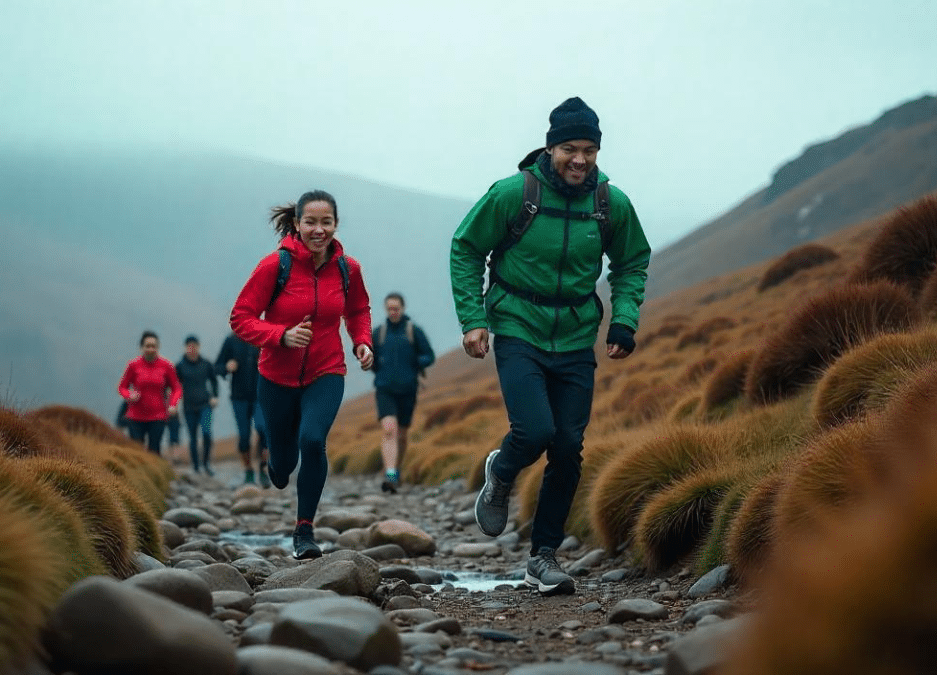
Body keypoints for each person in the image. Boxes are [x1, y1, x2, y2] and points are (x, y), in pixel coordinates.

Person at [450, 97, 651, 595]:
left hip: (578, 332)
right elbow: (466, 246)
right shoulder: (514, 193)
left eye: (588, 150)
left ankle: (542, 557)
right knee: (536, 429)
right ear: (550, 146)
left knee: (567, 446)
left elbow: (632, 262)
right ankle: (502, 468)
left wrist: (624, 321)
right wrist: (474, 319)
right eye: (569, 148)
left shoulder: (611, 203)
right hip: (518, 323)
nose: (579, 160)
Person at [230, 189, 374, 560]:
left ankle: (304, 530)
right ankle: (276, 464)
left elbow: (358, 309)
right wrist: (281, 335)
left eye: (326, 222)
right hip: (276, 377)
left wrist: (362, 341)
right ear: (296, 224)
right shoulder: (273, 267)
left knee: (312, 440)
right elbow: (241, 318)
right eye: (310, 222)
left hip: (327, 371)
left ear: (336, 225)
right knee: (284, 463)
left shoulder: (348, 269)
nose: (318, 229)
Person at [372, 292, 435, 493]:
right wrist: (379, 370)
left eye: (396, 308)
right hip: (385, 389)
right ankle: (390, 474)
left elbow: (429, 355)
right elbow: (371, 358)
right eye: (389, 308)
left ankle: (396, 470)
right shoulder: (379, 333)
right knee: (389, 429)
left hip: (408, 390)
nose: (393, 312)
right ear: (385, 309)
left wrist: (416, 363)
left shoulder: (413, 331)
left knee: (402, 434)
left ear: (403, 308)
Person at [216, 331, 272, 487]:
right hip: (239, 397)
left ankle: (262, 469)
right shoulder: (231, 341)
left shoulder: (262, 337)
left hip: (261, 396)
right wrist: (226, 367)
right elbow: (218, 366)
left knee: (263, 429)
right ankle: (248, 470)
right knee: (244, 437)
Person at [118, 330, 183, 455]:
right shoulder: (133, 365)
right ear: (142, 347)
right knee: (136, 452)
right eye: (148, 346)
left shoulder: (166, 366)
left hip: (158, 417)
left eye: (154, 346)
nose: (151, 349)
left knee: (154, 451)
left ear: (158, 348)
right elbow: (122, 387)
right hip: (135, 416)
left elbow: (176, 388)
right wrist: (129, 395)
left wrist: (173, 404)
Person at [176, 335, 220, 475]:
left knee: (206, 433)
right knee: (193, 437)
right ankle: (196, 467)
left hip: (205, 405)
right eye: (189, 346)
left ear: (198, 347)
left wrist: (214, 396)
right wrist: (174, 402)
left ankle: (206, 464)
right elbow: (175, 385)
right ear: (185, 348)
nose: (192, 348)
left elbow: (214, 381)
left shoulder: (206, 364)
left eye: (194, 346)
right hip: (188, 407)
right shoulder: (180, 366)